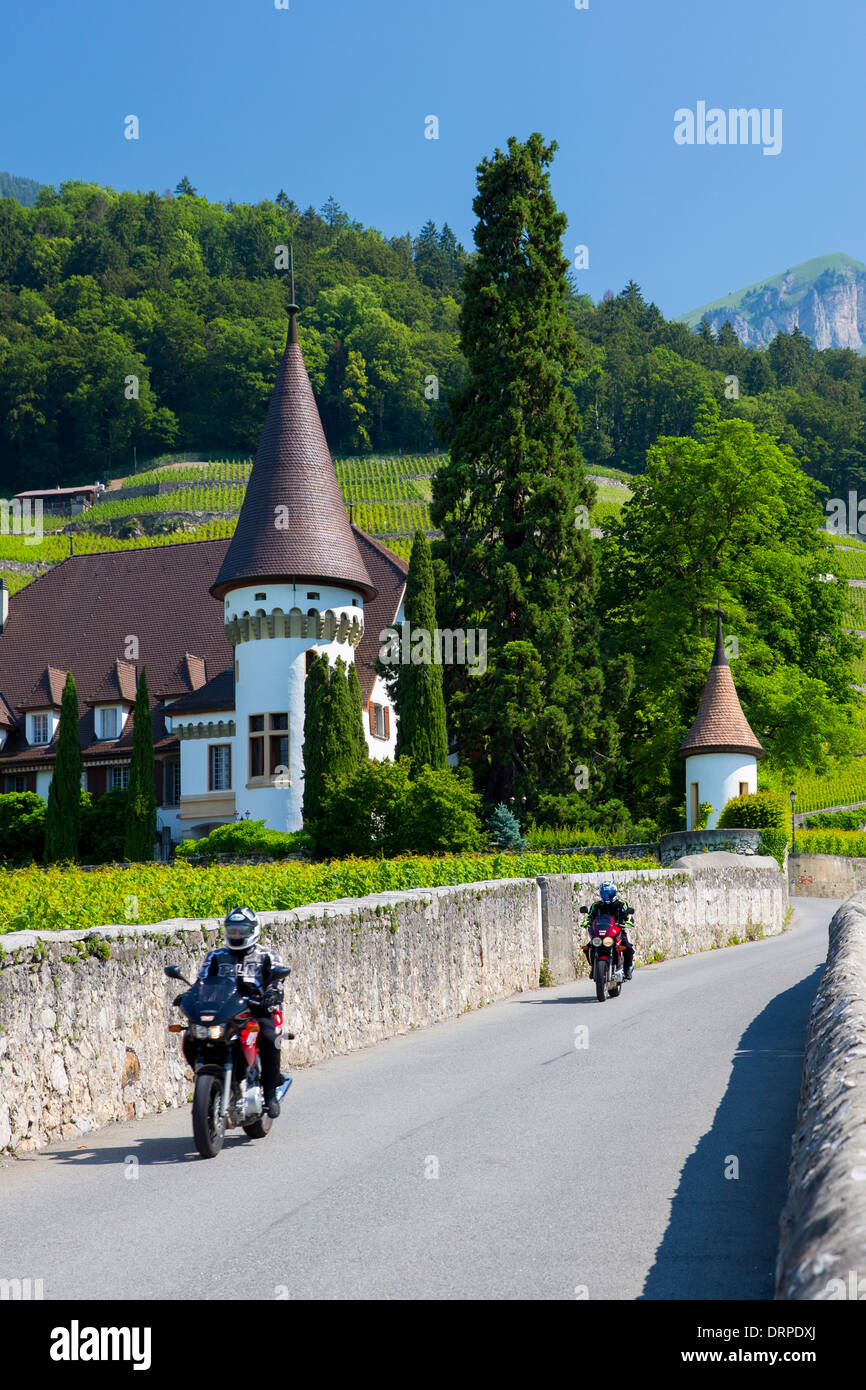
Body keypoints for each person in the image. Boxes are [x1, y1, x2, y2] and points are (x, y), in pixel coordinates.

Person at [192, 906, 288, 1117]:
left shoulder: (267, 955)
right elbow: (202, 981)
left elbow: (278, 980)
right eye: (233, 930)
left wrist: (272, 994)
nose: (236, 935)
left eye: (241, 930)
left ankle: (270, 1092)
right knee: (191, 1036)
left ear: (252, 930)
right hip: (227, 1011)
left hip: (257, 1009)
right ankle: (208, 1079)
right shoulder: (216, 957)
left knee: (270, 1037)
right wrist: (189, 995)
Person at [582, 881, 635, 980]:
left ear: (614, 893)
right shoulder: (597, 905)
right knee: (587, 948)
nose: (607, 896)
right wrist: (586, 921)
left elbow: (628, 915)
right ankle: (594, 967)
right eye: (604, 894)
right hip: (601, 932)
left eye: (609, 893)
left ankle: (627, 968)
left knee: (627, 948)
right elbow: (590, 916)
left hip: (616, 932)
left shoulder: (621, 904)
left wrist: (628, 920)